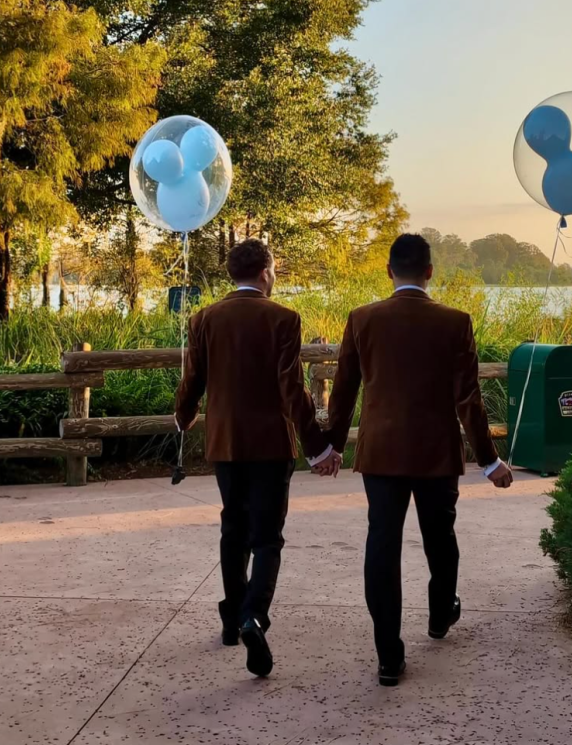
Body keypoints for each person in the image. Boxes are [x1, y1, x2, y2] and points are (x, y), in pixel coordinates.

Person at [325, 233, 513, 687]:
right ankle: (439, 613)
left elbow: (344, 392)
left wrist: (330, 446)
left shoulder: (361, 319)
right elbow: (468, 398)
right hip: (436, 451)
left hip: (381, 450)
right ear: (430, 271)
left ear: (389, 271)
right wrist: (490, 461)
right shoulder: (455, 321)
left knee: (382, 544)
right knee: (440, 536)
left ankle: (388, 657)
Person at [175, 239, 341, 679]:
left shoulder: (204, 318)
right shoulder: (283, 319)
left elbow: (193, 378)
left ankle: (232, 621)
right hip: (270, 444)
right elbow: (292, 389)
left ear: (234, 273)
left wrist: (183, 415)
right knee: (267, 537)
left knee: (234, 528)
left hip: (225, 442)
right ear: (266, 271)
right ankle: (253, 616)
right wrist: (317, 446)